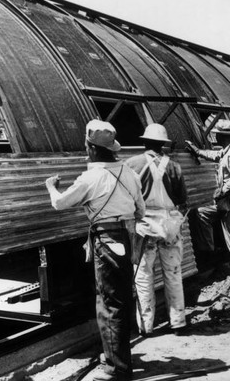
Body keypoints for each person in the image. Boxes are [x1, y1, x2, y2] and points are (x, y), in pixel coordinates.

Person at [45, 119, 145, 381]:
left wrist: (50, 186)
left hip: (106, 240)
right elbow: (141, 211)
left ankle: (117, 369)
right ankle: (117, 356)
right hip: (126, 235)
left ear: (90, 148)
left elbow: (60, 203)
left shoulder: (91, 177)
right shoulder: (130, 173)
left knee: (109, 302)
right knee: (121, 298)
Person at [126, 124, 188, 337]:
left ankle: (146, 327)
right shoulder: (175, 167)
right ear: (163, 144)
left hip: (144, 227)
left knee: (143, 277)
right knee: (173, 274)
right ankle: (178, 322)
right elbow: (182, 201)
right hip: (169, 227)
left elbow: (127, 199)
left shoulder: (132, 165)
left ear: (144, 142)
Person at [185, 119, 230, 282]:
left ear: (223, 136)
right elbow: (216, 156)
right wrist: (198, 151)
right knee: (202, 214)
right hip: (228, 200)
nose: (215, 138)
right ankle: (210, 251)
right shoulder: (228, 151)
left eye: (217, 135)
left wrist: (221, 190)